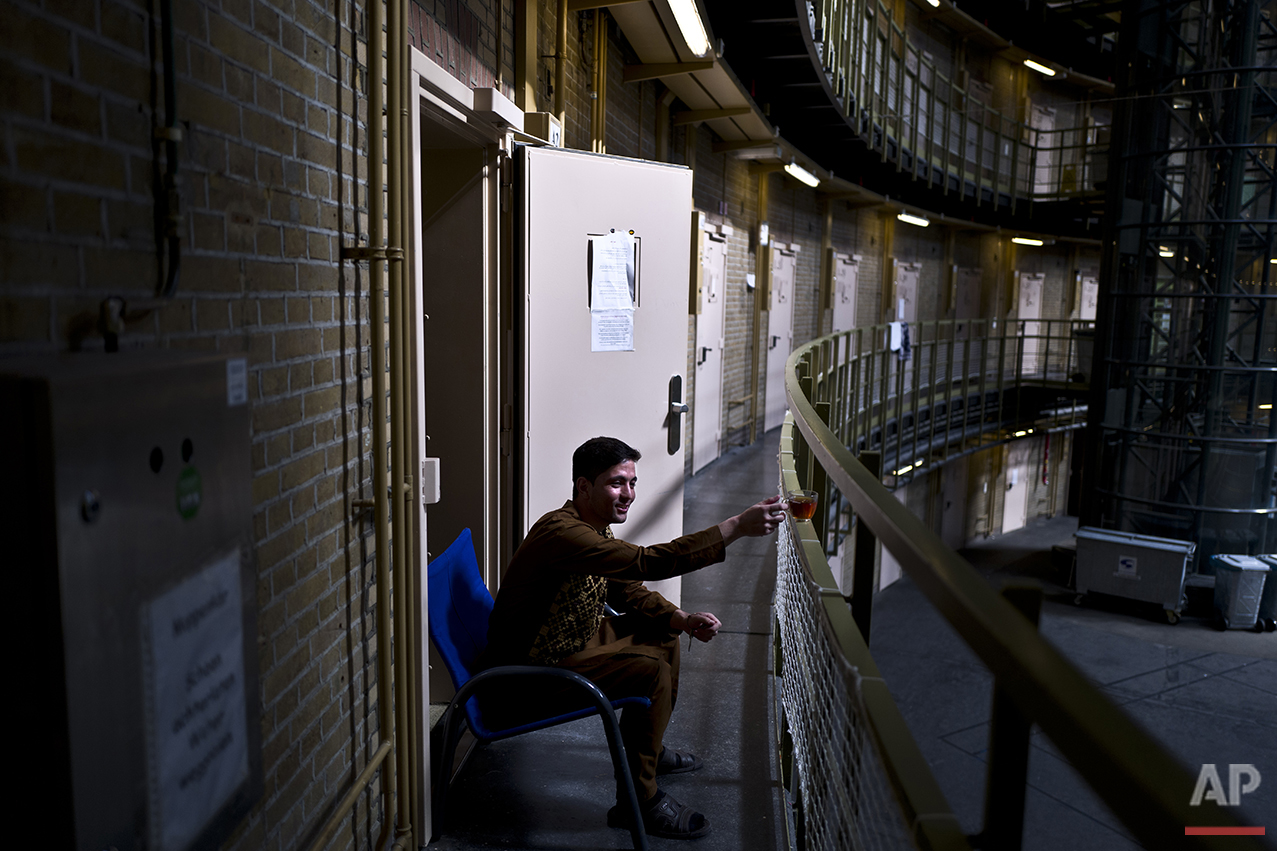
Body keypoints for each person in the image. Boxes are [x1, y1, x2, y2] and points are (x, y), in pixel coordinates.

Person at [478, 436, 786, 840]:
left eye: (632, 482)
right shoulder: (564, 534)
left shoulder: (590, 526)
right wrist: (733, 528)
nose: (629, 494)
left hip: (565, 643)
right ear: (583, 486)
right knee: (648, 670)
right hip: (525, 678)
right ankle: (637, 801)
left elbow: (626, 586)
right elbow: (646, 562)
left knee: (664, 633)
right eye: (616, 483)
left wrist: (680, 617)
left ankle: (649, 754)